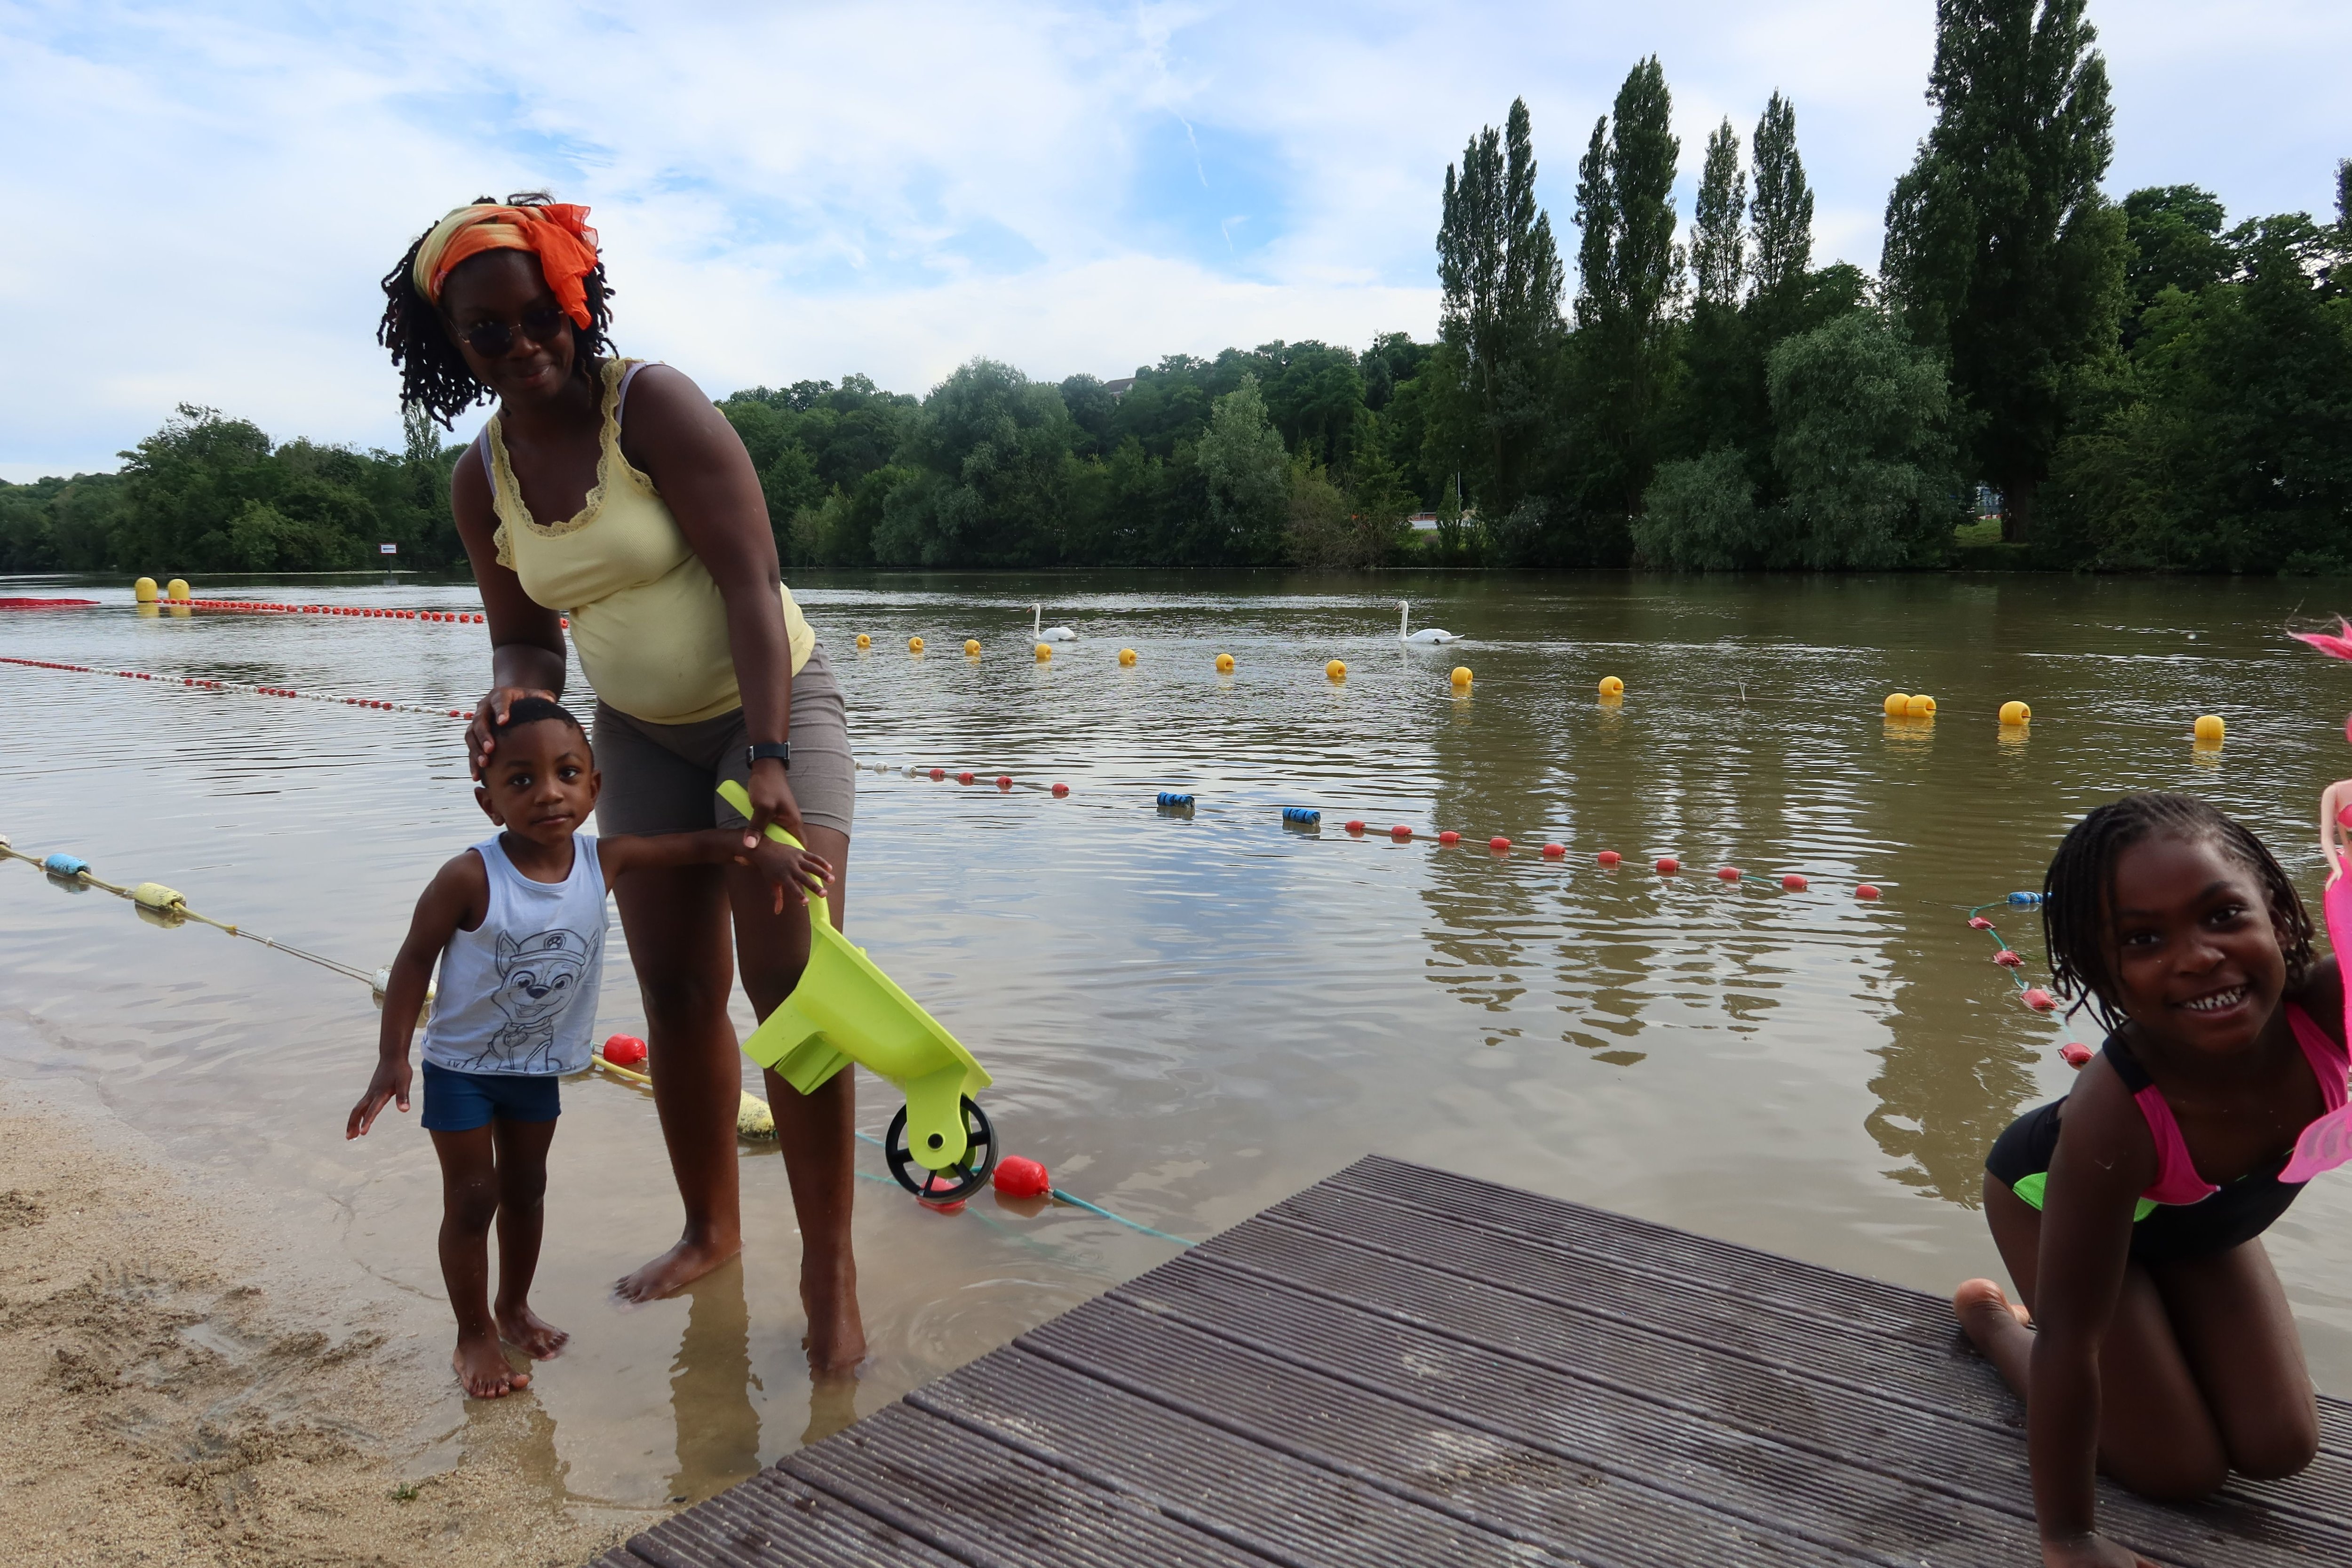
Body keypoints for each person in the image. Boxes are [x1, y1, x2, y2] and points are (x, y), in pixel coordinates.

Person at [376, 195, 867, 1370]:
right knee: (679, 993)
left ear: (575, 298)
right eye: (488, 331)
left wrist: (769, 758)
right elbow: (529, 639)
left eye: (542, 312)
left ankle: (828, 1265)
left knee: (794, 991)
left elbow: (752, 582)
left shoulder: (651, 403)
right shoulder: (478, 476)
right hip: (636, 735)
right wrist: (509, 693)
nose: (525, 340)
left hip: (774, 710)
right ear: (455, 347)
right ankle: (710, 1227)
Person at [347, 698, 831, 1397]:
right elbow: (413, 960)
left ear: (594, 788)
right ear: (489, 804)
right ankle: (473, 1333)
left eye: (566, 772)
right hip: (463, 1069)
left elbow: (702, 845)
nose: (548, 792)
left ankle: (513, 1305)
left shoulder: (603, 859)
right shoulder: (470, 876)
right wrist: (394, 1055)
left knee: (527, 1188)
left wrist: (769, 854)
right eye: (520, 781)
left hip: (537, 1066)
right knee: (474, 1197)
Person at [1954, 793, 2344, 1567]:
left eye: (2224, 915)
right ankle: (1992, 1322)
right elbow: (2072, 1345)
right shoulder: (2116, 1114)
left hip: (2202, 1218)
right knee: (2177, 1468)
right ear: (2105, 970)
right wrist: (2068, 1537)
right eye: (2143, 937)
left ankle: (2157, 1312)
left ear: (2281, 914)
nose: (2198, 955)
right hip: (2056, 1196)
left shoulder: (2335, 1008)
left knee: (2281, 1446)